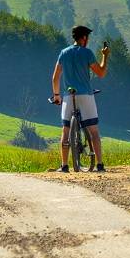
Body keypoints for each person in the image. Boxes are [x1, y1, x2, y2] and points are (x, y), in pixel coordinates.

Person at [50, 25, 109, 172]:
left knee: (65, 130)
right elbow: (101, 73)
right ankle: (100, 165)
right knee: (94, 131)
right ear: (83, 38)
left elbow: (55, 77)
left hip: (69, 96)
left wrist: (57, 96)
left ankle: (64, 166)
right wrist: (105, 55)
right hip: (86, 95)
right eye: (87, 37)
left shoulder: (63, 53)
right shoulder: (87, 53)